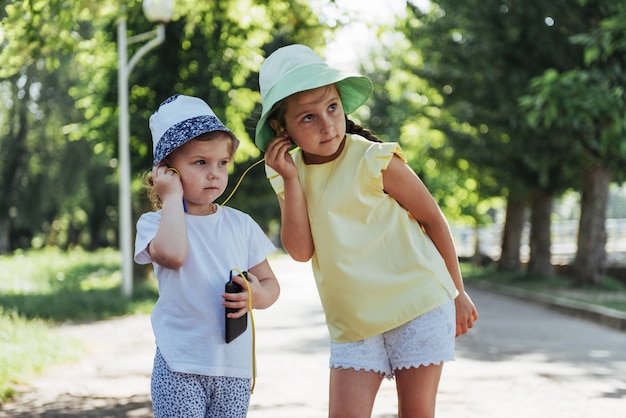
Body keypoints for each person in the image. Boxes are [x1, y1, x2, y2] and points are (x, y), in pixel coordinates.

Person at [255, 44, 478, 418]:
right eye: (308, 118)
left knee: (417, 413)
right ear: (282, 128)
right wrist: (292, 181)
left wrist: (458, 292)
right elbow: (299, 251)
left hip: (417, 305)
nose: (327, 125)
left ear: (343, 103)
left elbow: (433, 218)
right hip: (353, 323)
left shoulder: (375, 159)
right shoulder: (283, 172)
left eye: (332, 108)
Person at [134, 94, 280, 418]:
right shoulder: (154, 224)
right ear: (166, 170)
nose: (215, 173)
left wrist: (257, 294)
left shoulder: (241, 225)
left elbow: (271, 284)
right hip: (179, 365)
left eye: (222, 163)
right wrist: (171, 199)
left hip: (233, 369)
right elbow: (174, 255)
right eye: (201, 162)